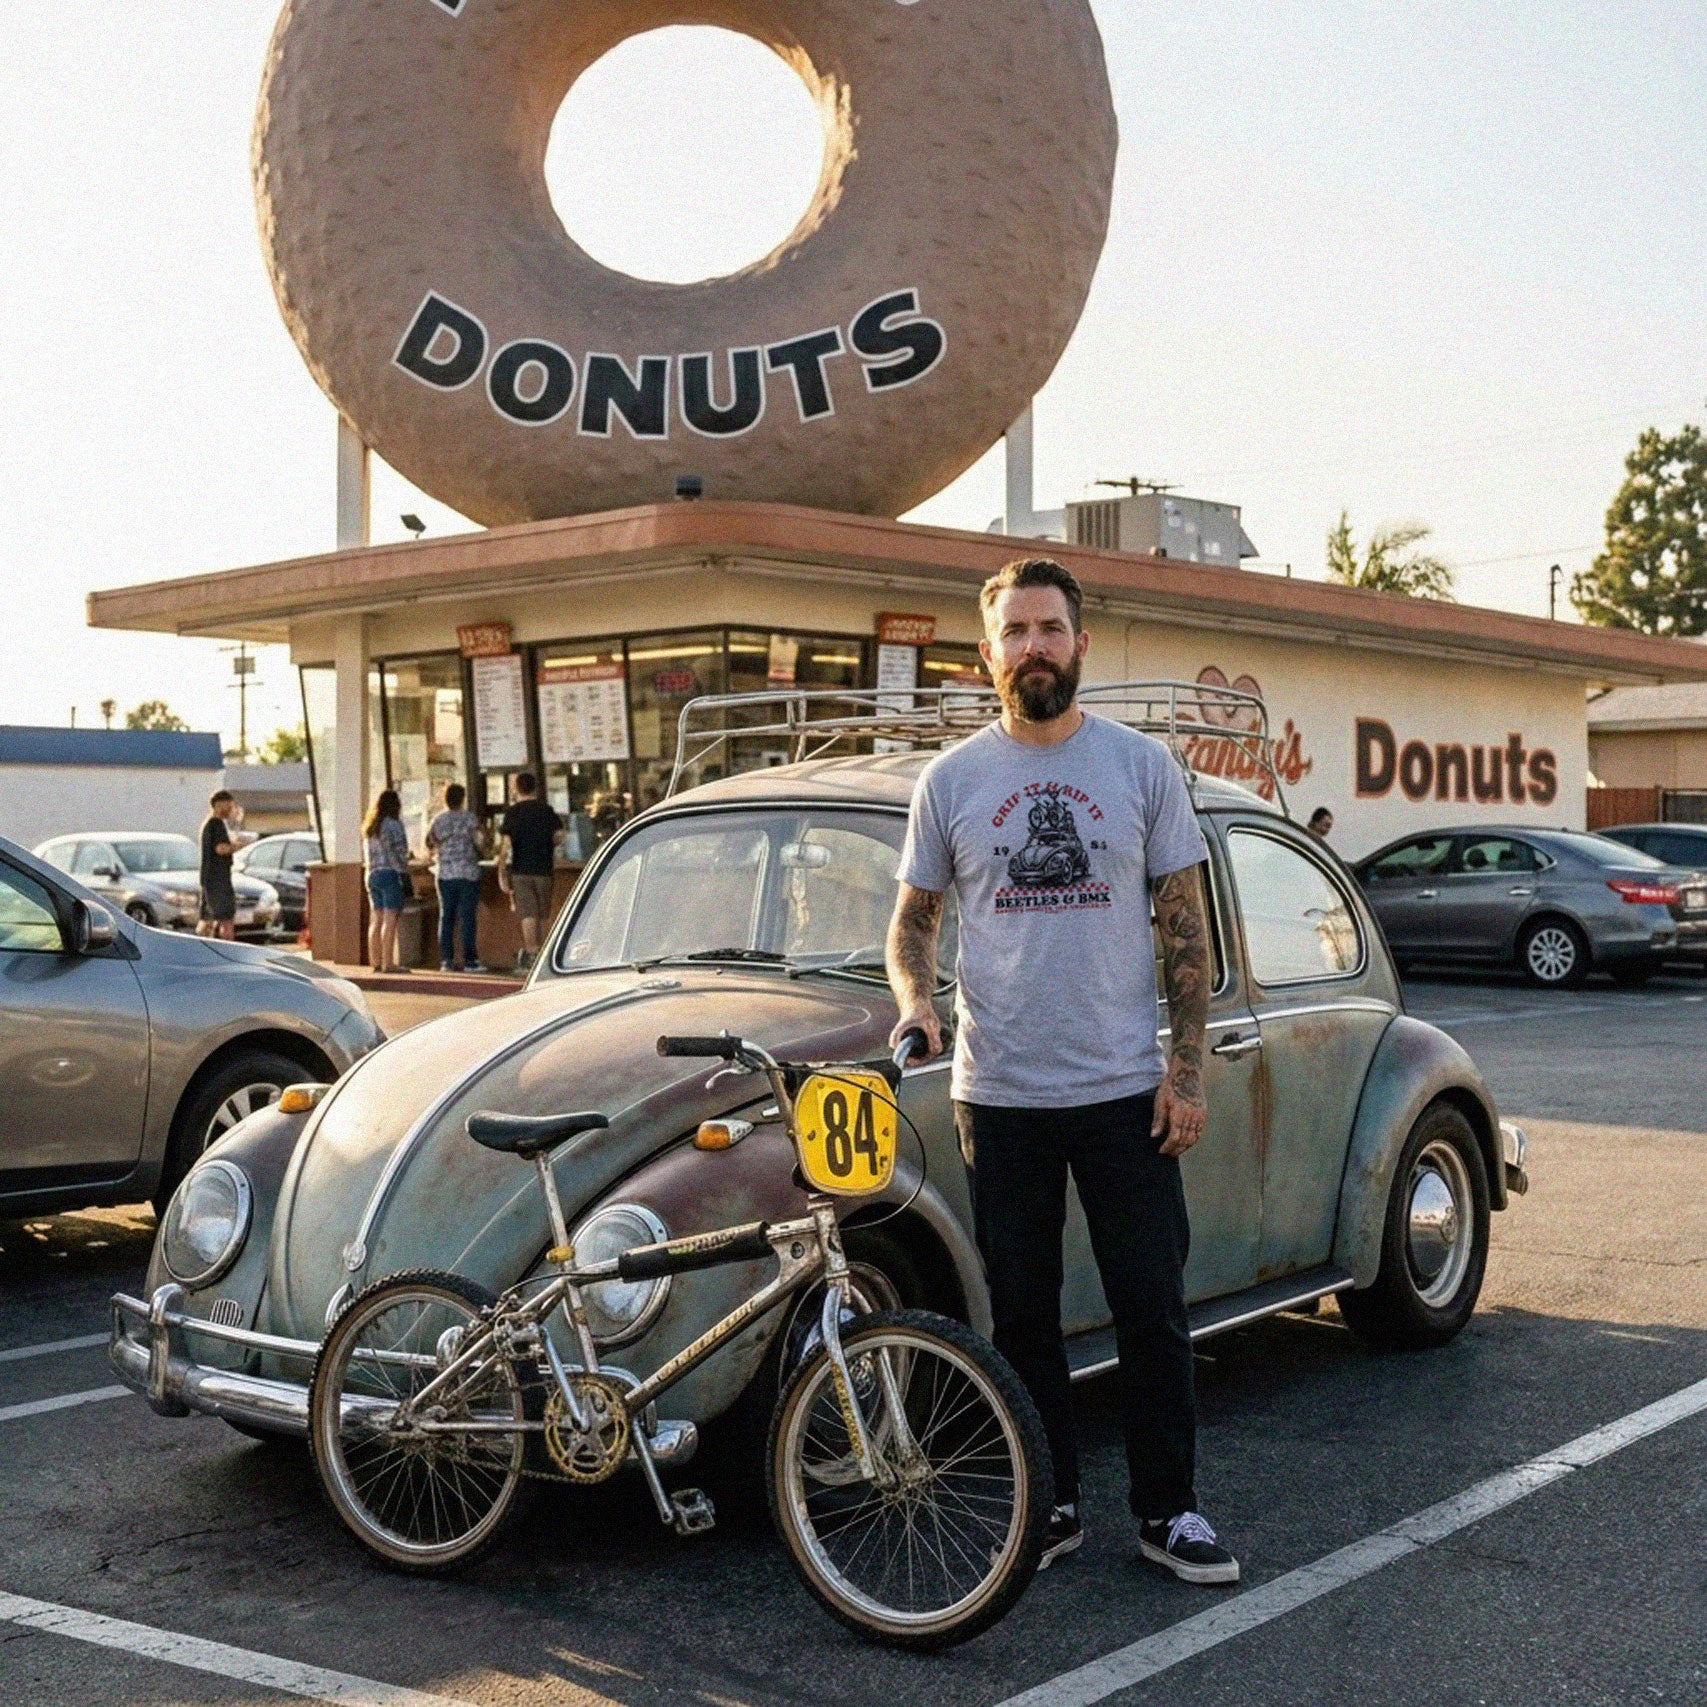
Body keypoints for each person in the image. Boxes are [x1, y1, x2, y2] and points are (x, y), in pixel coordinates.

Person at [885, 556, 1239, 1586]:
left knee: (1150, 1309)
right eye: (1016, 632)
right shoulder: (950, 783)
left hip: (1126, 1090)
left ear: (1080, 643)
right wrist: (915, 1000)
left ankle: (1168, 1512)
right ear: (985, 653)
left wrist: (1188, 1070)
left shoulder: (1139, 769)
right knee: (1024, 1315)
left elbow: (1185, 928)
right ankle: (1052, 1505)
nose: (1034, 647)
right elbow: (912, 923)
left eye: (1050, 629)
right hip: (999, 1095)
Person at [497, 772, 564, 970]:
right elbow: (559, 836)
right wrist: (547, 843)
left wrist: (501, 865)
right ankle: (543, 952)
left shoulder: (513, 812)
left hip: (521, 869)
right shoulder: (546, 810)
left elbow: (506, 844)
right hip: (544, 868)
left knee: (528, 913)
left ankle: (531, 951)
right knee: (543, 912)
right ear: (535, 788)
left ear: (517, 788)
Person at [426, 783, 486, 973]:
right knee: (468, 917)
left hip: (445, 874)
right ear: (462, 799)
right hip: (468, 873)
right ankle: (470, 961)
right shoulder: (470, 819)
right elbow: (480, 842)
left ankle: (446, 960)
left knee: (447, 917)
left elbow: (429, 843)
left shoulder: (438, 820)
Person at [362, 789, 412, 973]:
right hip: (390, 873)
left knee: (376, 919)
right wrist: (405, 867)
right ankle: (388, 963)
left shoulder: (370, 827)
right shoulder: (393, 825)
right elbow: (401, 852)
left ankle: (375, 961)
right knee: (390, 920)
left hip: (372, 874)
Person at [197, 791, 239, 941]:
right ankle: (229, 950)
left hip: (208, 879)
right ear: (220, 804)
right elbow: (220, 848)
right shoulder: (217, 824)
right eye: (229, 806)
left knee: (207, 918)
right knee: (226, 920)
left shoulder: (207, 825)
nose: (231, 809)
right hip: (219, 880)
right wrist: (235, 846)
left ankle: (199, 945)